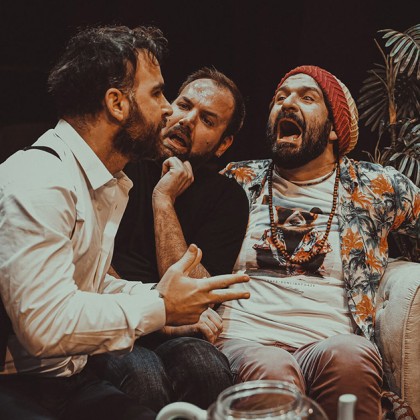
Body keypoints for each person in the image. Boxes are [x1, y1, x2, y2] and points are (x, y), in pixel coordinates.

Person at [0, 25, 250, 420]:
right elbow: (44, 326)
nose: (168, 111)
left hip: (67, 380)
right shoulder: (42, 178)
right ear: (117, 104)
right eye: (158, 94)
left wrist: (161, 295)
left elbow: (92, 284)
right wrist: (161, 305)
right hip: (18, 383)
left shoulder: (105, 181)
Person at [215, 65, 420, 420]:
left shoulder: (374, 186)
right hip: (246, 338)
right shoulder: (238, 179)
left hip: (329, 339)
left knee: (352, 356)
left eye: (306, 98)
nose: (287, 103)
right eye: (280, 97)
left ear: (334, 130)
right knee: (273, 370)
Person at [89, 67, 250, 411]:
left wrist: (164, 201)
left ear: (223, 144)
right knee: (142, 375)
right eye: (184, 105)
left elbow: (199, 295)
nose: (187, 120)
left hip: (180, 329)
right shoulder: (119, 162)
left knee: (206, 368)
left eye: (207, 120)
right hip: (112, 316)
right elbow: (90, 261)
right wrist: (158, 313)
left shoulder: (227, 197)